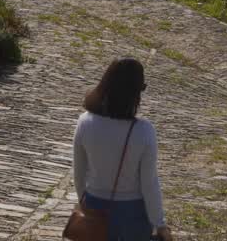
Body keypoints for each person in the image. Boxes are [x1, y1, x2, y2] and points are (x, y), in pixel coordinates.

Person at [74, 58, 173, 241]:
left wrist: (85, 206)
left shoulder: (85, 122)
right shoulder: (144, 131)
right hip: (133, 214)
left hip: (94, 205)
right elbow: (149, 184)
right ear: (135, 94)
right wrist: (160, 224)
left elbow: (79, 174)